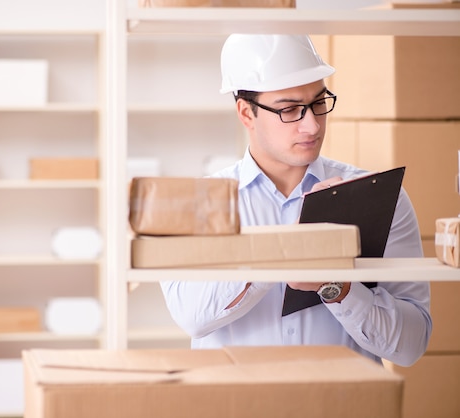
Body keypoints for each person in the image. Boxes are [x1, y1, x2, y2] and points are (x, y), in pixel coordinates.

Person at [160, 34, 431, 367]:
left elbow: (411, 345)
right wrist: (290, 247)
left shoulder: (380, 197)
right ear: (246, 113)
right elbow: (193, 316)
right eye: (289, 109)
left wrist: (339, 286)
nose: (312, 125)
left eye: (319, 103)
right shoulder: (197, 204)